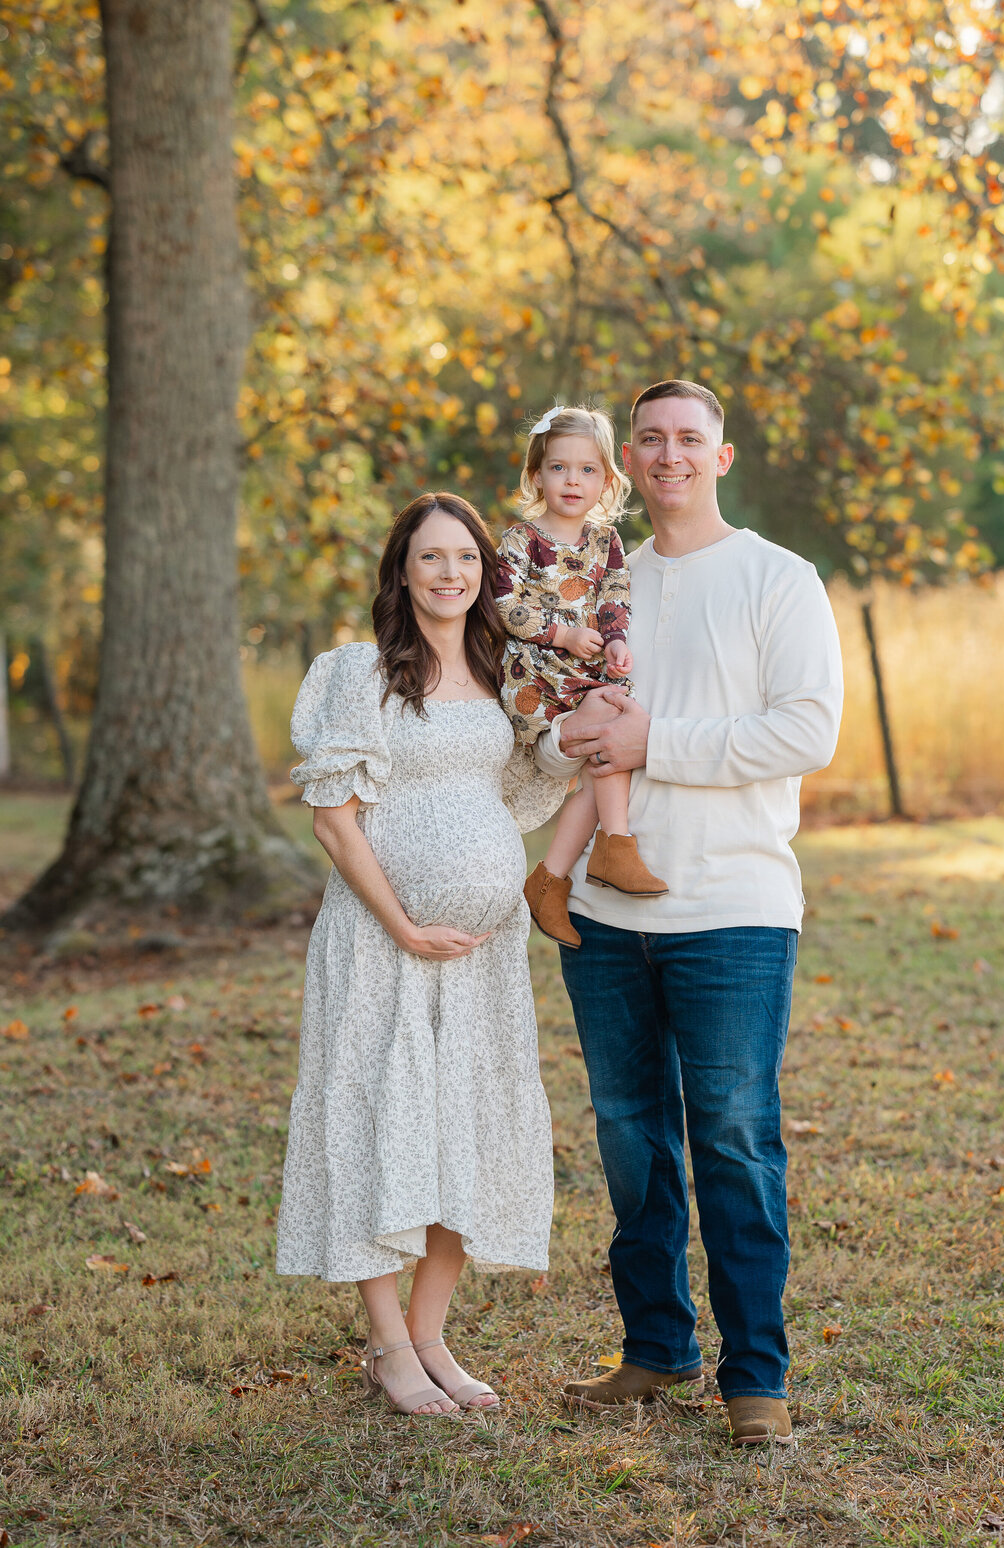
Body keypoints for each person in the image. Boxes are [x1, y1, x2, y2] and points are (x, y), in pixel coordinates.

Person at [534, 380, 843, 1450]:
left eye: (689, 439)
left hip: (734, 908)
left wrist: (651, 742)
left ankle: (757, 1375)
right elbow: (550, 721)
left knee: (735, 1138)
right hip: (606, 918)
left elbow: (808, 729)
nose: (670, 454)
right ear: (629, 456)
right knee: (631, 1142)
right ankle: (657, 1348)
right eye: (651, 439)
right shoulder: (594, 582)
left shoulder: (776, 578)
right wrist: (568, 742)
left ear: (722, 455)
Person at [276, 492, 564, 1418]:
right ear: (402, 570)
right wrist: (403, 923)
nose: (451, 574)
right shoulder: (359, 675)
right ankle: (389, 1347)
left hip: (480, 955)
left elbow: (521, 786)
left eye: (468, 559)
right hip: (379, 944)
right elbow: (334, 821)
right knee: (376, 1121)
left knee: (462, 1130)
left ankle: (434, 1336)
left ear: (488, 573)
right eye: (432, 558)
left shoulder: (500, 669)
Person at [495, 404, 667, 950]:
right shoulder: (520, 542)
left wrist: (615, 640)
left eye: (587, 470)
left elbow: (615, 595)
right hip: (536, 678)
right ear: (536, 475)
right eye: (559, 468)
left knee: (611, 737)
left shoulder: (606, 543)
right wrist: (562, 635)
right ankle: (614, 847)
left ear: (608, 481)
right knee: (612, 729)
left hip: (585, 674)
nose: (573, 481)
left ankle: (555, 876)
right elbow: (503, 604)